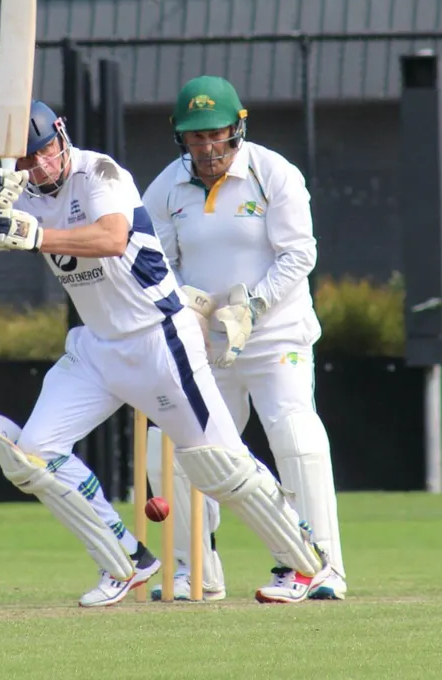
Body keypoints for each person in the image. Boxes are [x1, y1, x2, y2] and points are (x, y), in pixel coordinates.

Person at [0, 99, 330, 608]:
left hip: (158, 338)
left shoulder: (100, 172)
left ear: (60, 134)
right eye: (27, 160)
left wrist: (36, 234)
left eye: (45, 150)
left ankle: (305, 563)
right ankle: (126, 561)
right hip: (96, 348)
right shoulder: (22, 189)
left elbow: (112, 237)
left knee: (218, 465)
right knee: (34, 455)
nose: (41, 165)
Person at [142, 76, 346, 602]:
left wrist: (251, 306)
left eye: (217, 135)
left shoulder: (273, 172)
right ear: (180, 138)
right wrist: (186, 303)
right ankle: (195, 569)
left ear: (238, 128)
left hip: (275, 333)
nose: (208, 148)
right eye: (195, 137)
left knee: (295, 435)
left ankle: (314, 566)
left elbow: (299, 254)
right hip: (206, 342)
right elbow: (159, 265)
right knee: (168, 446)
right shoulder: (165, 188)